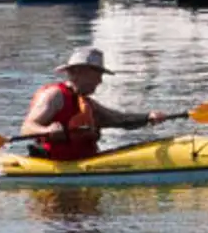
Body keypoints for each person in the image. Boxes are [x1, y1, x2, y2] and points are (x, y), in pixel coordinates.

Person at [17, 46, 168, 161]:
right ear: (78, 71)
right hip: (53, 165)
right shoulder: (55, 96)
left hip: (84, 163)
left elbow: (119, 119)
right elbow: (27, 127)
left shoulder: (87, 104)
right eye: (97, 74)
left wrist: (148, 117)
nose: (100, 81)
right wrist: (47, 130)